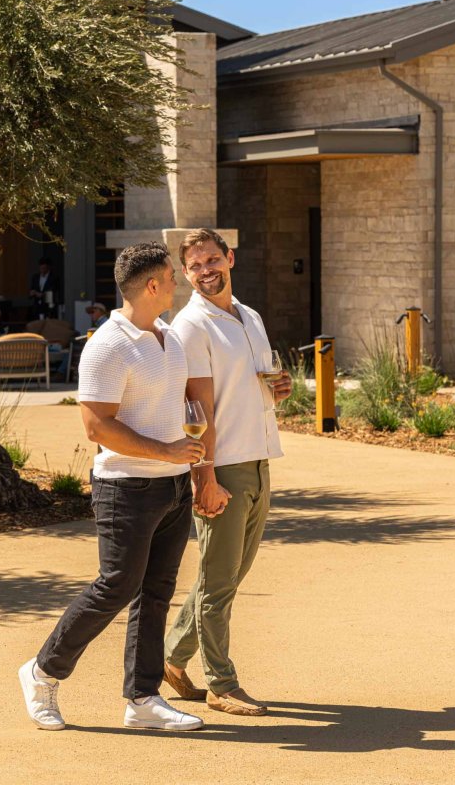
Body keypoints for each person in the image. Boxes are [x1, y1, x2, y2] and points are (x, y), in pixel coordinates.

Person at [18, 242, 206, 732]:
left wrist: (184, 451)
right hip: (126, 488)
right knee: (115, 586)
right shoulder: (108, 344)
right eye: (172, 276)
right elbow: (96, 426)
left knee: (157, 593)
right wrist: (165, 451)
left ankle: (142, 699)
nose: (177, 283)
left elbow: (177, 404)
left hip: (172, 487)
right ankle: (41, 673)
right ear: (152, 285)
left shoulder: (169, 337)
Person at [163, 228, 292, 717]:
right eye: (195, 266)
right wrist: (205, 478)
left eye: (212, 260)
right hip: (225, 465)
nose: (205, 271)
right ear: (185, 274)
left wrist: (278, 389)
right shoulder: (190, 327)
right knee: (218, 584)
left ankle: (172, 659)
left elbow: (254, 386)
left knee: (228, 575)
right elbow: (197, 410)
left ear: (230, 258)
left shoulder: (250, 316)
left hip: (259, 459)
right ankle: (221, 683)